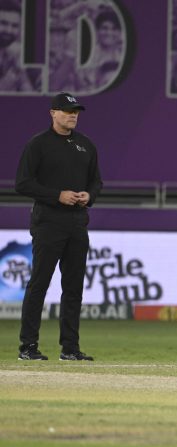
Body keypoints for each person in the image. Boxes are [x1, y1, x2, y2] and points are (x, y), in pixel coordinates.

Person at [14, 93, 103, 361]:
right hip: (49, 222)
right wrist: (57, 195)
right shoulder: (38, 145)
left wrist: (90, 196)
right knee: (39, 284)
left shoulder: (86, 145)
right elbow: (22, 184)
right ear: (53, 113)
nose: (72, 115)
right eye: (66, 110)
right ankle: (28, 347)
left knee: (74, 287)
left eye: (75, 111)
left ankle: (70, 348)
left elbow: (96, 182)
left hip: (77, 223)